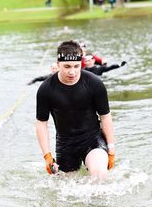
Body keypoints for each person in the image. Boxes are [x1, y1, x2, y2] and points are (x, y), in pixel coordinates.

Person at [36, 40, 116, 179]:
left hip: (92, 139)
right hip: (65, 144)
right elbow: (41, 123)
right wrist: (47, 155)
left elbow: (105, 116)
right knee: (66, 189)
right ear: (58, 63)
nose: (72, 72)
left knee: (99, 175)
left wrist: (111, 149)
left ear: (81, 63)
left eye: (76, 66)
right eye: (67, 66)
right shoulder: (46, 89)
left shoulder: (94, 83)